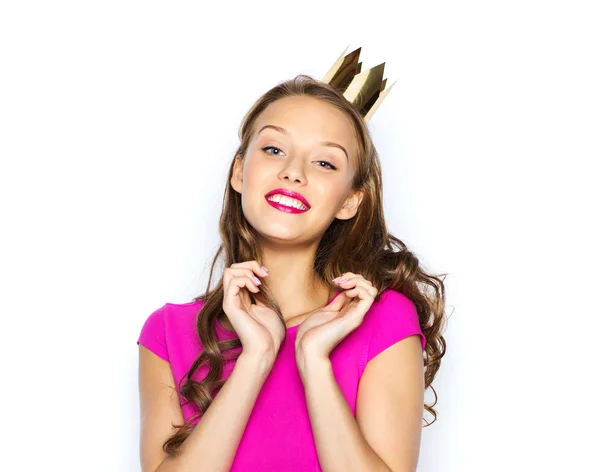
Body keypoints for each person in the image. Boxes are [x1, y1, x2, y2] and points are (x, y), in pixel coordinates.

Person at [137, 50, 448, 471]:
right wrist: (256, 358)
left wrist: (315, 363)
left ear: (351, 200)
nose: (294, 172)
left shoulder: (383, 321)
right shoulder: (168, 332)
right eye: (274, 149)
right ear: (239, 172)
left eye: (324, 162)